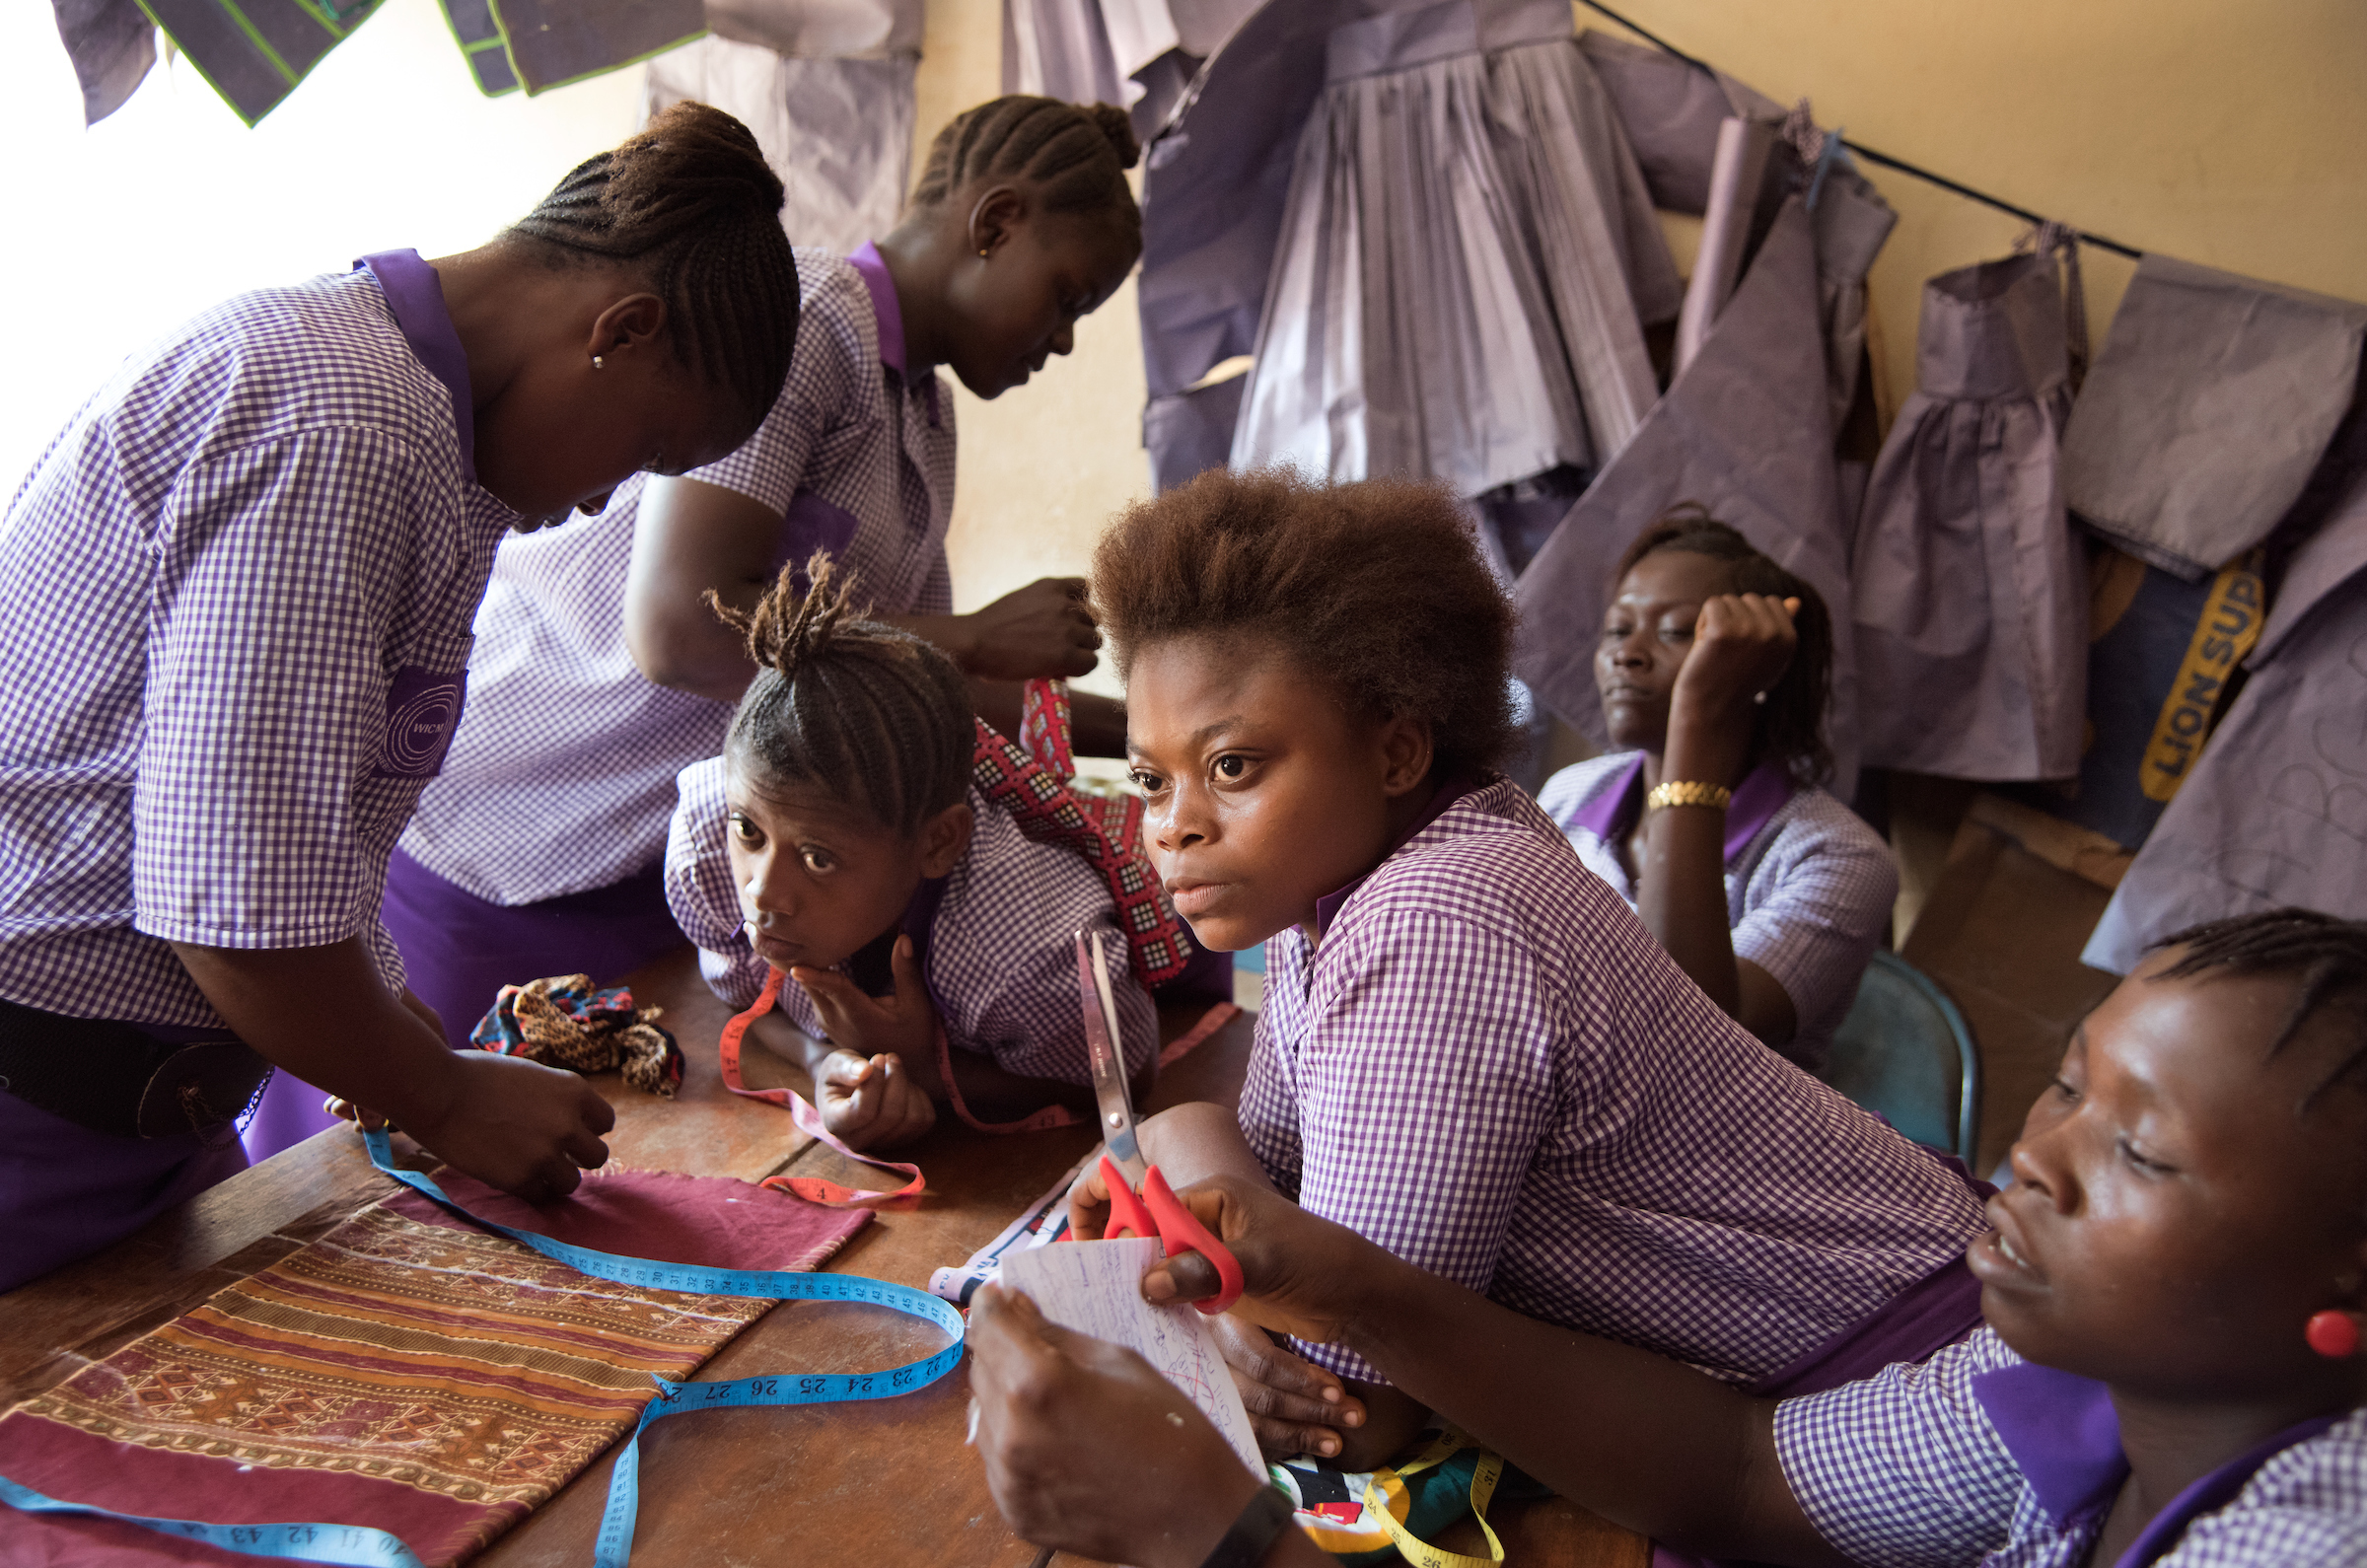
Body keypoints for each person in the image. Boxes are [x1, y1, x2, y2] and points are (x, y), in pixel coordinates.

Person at [0, 103, 805, 1290]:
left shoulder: (405, 413)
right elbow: (236, 909)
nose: (599, 505)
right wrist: (438, 1093)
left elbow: (298, 797)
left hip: (134, 1124)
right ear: (620, 332)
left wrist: (388, 1014)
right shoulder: (351, 427)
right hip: (32, 1129)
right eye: (640, 452)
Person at [968, 907, 2367, 1568]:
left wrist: (1214, 1532)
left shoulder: (2311, 1540)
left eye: (2137, 1148)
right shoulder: (2077, 1390)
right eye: (2066, 1083)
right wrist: (1347, 1280)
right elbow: (1737, 1469)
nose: (2036, 1160)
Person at [1079, 468, 1988, 1469]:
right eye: (1150, 780)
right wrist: (1179, 1147)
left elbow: (1359, 1410)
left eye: (1234, 766)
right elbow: (1269, 1182)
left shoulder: (1434, 917)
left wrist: (1209, 1269)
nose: (1175, 827)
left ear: (1396, 753)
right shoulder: (1339, 900)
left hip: (1908, 1390)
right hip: (1812, 1368)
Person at [365, 94, 1146, 1123]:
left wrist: (1149, 735)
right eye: (1066, 298)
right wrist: (969, 636)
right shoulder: (811, 323)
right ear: (995, 224)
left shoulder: (921, 413)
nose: (1062, 341)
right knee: (412, 1177)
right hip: (521, 829)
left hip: (661, 849)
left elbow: (898, 704)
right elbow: (678, 626)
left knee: (599, 1148)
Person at [665, 557, 1162, 1149]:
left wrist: (926, 1071)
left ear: (938, 844)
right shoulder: (709, 847)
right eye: (751, 833)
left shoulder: (1030, 953)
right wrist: (825, 1059)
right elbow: (745, 995)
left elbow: (1123, 1078)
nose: (761, 893)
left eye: (818, 858)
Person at [1536, 508, 1897, 1066]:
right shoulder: (1571, 796)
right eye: (1617, 628)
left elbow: (1684, 1034)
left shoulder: (1836, 856)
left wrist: (1700, 715)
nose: (1626, 654)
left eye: (1677, 632)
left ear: (1756, 671)